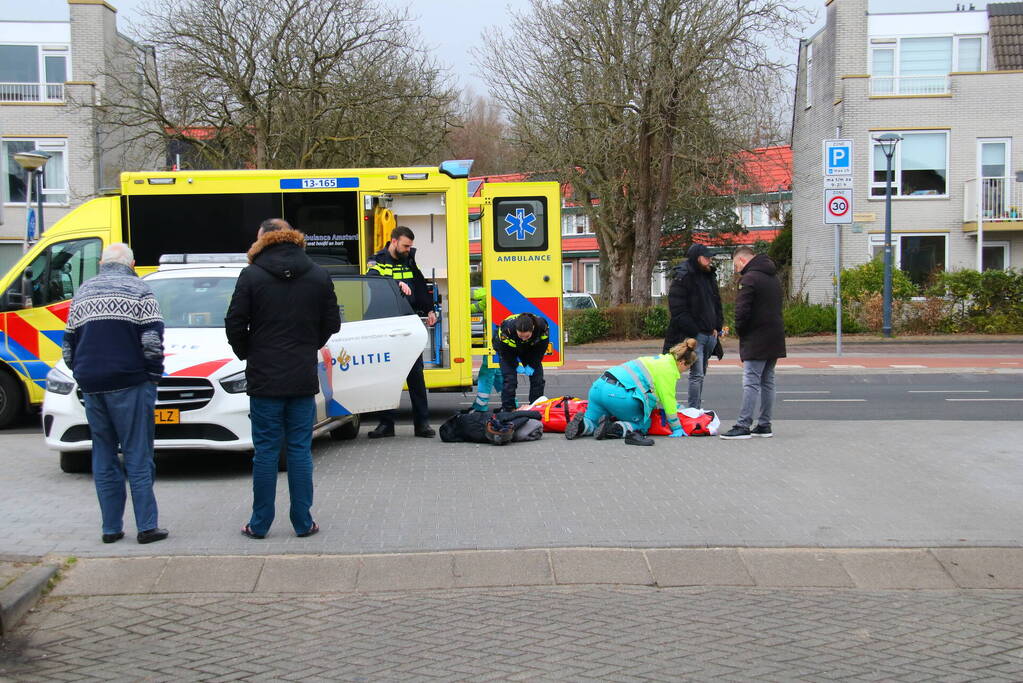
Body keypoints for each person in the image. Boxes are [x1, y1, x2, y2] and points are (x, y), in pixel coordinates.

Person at [225, 218, 340, 538]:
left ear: (262, 239)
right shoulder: (318, 275)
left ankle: (259, 524)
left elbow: (234, 323)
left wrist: (250, 352)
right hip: (302, 375)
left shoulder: (251, 276)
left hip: (264, 379)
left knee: (265, 451)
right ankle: (303, 522)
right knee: (300, 450)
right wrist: (308, 345)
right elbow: (333, 322)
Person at [61, 243, 168, 545]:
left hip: (92, 383)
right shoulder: (139, 289)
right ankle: (147, 527)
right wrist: (153, 375)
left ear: (101, 262)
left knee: (104, 454)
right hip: (130, 382)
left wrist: (82, 372)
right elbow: (151, 340)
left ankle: (111, 529)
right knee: (137, 454)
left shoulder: (83, 291)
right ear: (132, 263)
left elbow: (69, 344)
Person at [365, 226, 437, 438]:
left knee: (416, 376)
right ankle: (386, 425)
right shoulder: (377, 260)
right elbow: (373, 281)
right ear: (393, 241)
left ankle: (422, 425)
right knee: (386, 376)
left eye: (410, 246)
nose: (408, 249)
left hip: (408, 322)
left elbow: (420, 286)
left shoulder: (409, 259)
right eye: (405, 245)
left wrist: (430, 309)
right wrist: (397, 283)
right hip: (386, 323)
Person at [564, 340, 699, 446]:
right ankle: (614, 429)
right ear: (682, 362)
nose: (685, 371)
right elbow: (668, 402)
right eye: (687, 367)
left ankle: (582, 426)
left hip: (598, 387)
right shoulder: (668, 370)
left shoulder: (656, 359)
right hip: (618, 395)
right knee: (643, 424)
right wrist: (676, 427)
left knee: (592, 421)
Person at [720, 246, 787, 439]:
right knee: (768, 381)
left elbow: (742, 311)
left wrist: (740, 331)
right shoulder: (773, 277)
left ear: (741, 260)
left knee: (751, 382)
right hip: (774, 337)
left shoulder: (749, 279)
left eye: (735, 265)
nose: (736, 269)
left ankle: (743, 425)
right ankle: (764, 424)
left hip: (756, 338)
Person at [662, 243, 724, 409]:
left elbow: (716, 303)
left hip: (710, 334)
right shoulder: (683, 277)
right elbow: (678, 309)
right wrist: (695, 331)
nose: (710, 260)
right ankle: (694, 410)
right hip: (694, 336)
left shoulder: (709, 276)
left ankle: (696, 409)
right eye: (707, 257)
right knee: (696, 374)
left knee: (701, 374)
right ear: (698, 258)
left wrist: (717, 327)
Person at [493, 312, 549, 413]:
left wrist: (532, 365)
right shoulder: (507, 329)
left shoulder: (542, 326)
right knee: (510, 380)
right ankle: (509, 409)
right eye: (520, 336)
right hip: (508, 351)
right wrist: (515, 365)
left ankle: (536, 407)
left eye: (526, 336)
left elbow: (540, 350)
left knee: (538, 379)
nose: (523, 338)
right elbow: (504, 352)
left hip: (529, 349)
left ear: (532, 328)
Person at [469, 287, 504, 412]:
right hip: (494, 341)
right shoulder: (491, 295)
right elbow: (477, 307)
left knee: (486, 373)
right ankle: (510, 403)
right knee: (498, 374)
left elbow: (477, 294)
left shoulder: (489, 292)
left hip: (494, 342)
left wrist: (462, 291)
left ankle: (480, 406)